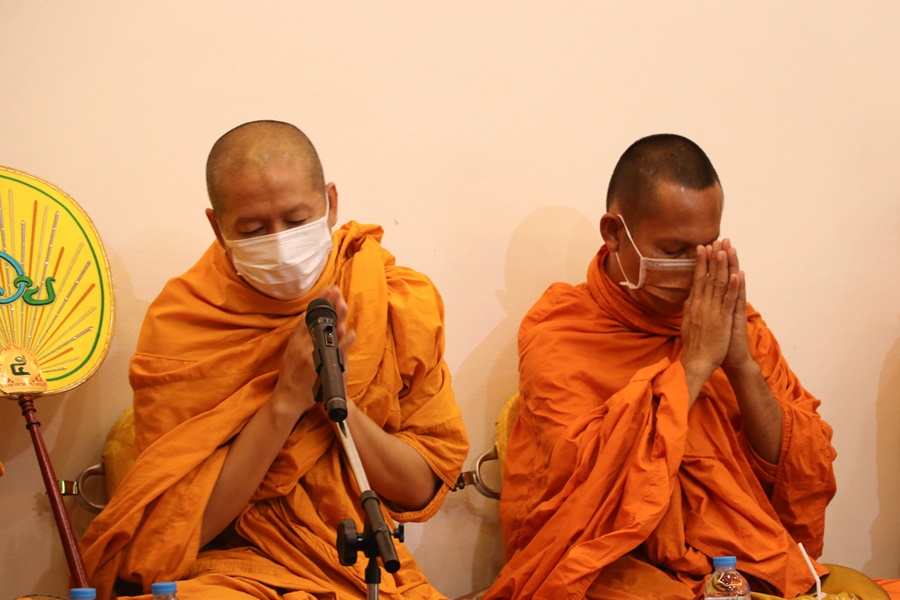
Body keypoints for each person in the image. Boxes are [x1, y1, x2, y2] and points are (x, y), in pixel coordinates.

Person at [484, 134, 893, 599]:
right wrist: (695, 366)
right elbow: (589, 489)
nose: (694, 268)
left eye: (706, 248)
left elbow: (801, 467)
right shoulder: (560, 331)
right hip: (614, 567)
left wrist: (740, 365)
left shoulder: (731, 319)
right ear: (614, 233)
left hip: (739, 561)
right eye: (674, 251)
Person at [79, 120, 469, 599]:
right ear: (218, 227)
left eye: (297, 220)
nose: (281, 245)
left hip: (357, 563)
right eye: (254, 230)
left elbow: (421, 488)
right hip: (228, 570)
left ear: (330, 203)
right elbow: (179, 532)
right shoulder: (184, 323)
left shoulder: (390, 296)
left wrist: (336, 400)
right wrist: (284, 401)